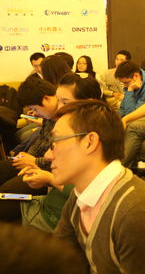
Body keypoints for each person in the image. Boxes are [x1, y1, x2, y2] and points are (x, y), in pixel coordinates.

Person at [49, 100, 145, 273]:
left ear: (90, 142)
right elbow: (57, 258)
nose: (48, 155)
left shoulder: (139, 213)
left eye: (55, 142)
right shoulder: (81, 194)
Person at [0, 74, 103, 230]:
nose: (59, 107)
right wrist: (33, 160)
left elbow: (89, 196)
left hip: (52, 215)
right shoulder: (65, 123)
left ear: (87, 103)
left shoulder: (90, 138)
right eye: (59, 100)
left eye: (65, 102)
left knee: (6, 196)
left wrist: (47, 176)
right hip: (46, 201)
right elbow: (44, 146)